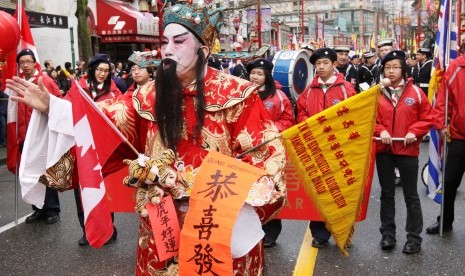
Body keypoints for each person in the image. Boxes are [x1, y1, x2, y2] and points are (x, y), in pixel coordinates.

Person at [7, 2, 286, 274]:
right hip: (160, 219)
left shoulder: (238, 95)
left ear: (203, 49)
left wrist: (200, 191)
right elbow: (103, 122)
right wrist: (54, 107)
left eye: (178, 41)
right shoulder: (146, 95)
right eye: (164, 42)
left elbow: (264, 156)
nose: (167, 50)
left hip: (217, 221)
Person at [296, 47, 356, 248]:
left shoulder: (346, 88)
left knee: (342, 191)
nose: (321, 67)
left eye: (325, 63)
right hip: (316, 146)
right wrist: (311, 127)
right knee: (319, 191)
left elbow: (352, 115)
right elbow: (301, 114)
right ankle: (319, 233)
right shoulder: (308, 90)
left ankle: (344, 231)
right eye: (317, 64)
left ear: (334, 64)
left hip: (340, 147)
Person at [375, 50, 433, 254]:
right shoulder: (377, 92)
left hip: (407, 150)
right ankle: (388, 235)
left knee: (411, 195)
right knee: (387, 194)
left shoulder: (416, 92)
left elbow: (427, 118)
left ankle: (414, 238)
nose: (390, 71)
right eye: (387, 67)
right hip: (383, 150)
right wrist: (380, 130)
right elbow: (368, 119)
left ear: (403, 69)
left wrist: (413, 131)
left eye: (395, 67)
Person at [246, 58, 295, 248]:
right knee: (249, 192)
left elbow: (289, 120)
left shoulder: (279, 97)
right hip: (247, 151)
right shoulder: (243, 94)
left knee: (269, 190)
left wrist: (269, 130)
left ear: (267, 75)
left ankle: (271, 232)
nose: (255, 77)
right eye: (253, 73)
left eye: (260, 73)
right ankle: (251, 231)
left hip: (270, 151)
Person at [74, 53, 122, 246]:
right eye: (99, 69)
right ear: (92, 69)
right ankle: (86, 230)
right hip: (83, 147)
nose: (102, 74)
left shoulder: (114, 91)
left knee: (106, 190)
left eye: (106, 70)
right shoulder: (78, 89)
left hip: (105, 150)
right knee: (83, 189)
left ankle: (108, 229)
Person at [14, 49, 62, 224]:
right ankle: (38, 208)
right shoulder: (19, 83)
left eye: (28, 61)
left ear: (35, 62)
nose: (25, 65)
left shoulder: (45, 81)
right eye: (22, 62)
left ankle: (53, 209)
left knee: (45, 174)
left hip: (43, 136)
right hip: (25, 137)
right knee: (31, 173)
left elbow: (59, 102)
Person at [426, 54, 465, 235]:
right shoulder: (457, 66)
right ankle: (445, 221)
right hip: (459, 136)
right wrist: (440, 125)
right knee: (449, 181)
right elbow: (443, 100)